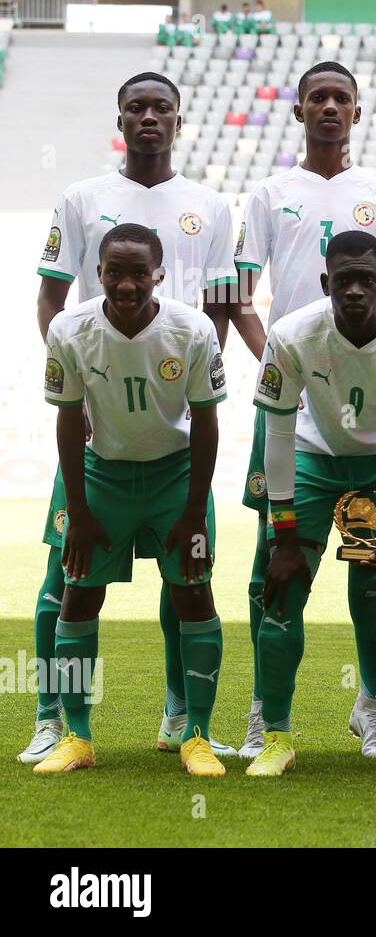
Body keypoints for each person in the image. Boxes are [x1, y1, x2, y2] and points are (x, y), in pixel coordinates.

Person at [22, 71, 242, 767]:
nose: (149, 117)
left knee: (187, 584)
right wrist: (84, 390)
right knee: (65, 579)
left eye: (161, 108)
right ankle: (56, 720)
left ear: (179, 119)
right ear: (119, 118)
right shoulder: (81, 197)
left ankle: (185, 719)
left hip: (172, 434)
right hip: (99, 434)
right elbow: (50, 299)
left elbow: (220, 308)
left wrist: (186, 384)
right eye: (136, 107)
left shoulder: (211, 205)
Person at [218, 61, 376, 761]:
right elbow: (239, 298)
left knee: (373, 559)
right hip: (295, 405)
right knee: (274, 559)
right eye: (318, 98)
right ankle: (263, 711)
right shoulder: (269, 194)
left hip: (370, 408)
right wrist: (285, 371)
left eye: (341, 98)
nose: (329, 107)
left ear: (357, 113)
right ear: (299, 110)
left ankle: (372, 704)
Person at [245, 231, 376, 778]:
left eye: (366, 280)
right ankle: (276, 737)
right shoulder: (291, 335)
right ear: (325, 283)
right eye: (344, 280)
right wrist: (286, 538)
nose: (355, 290)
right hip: (314, 456)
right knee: (284, 587)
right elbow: (278, 434)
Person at [35, 224, 227, 778]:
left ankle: (196, 736)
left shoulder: (192, 330)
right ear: (98, 273)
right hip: (104, 475)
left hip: (176, 475)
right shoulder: (70, 329)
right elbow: (68, 421)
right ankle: (76, 736)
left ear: (159, 275)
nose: (126, 284)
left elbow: (207, 422)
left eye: (139, 272)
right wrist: (78, 511)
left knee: (194, 593)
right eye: (114, 272)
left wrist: (194, 512)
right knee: (78, 596)